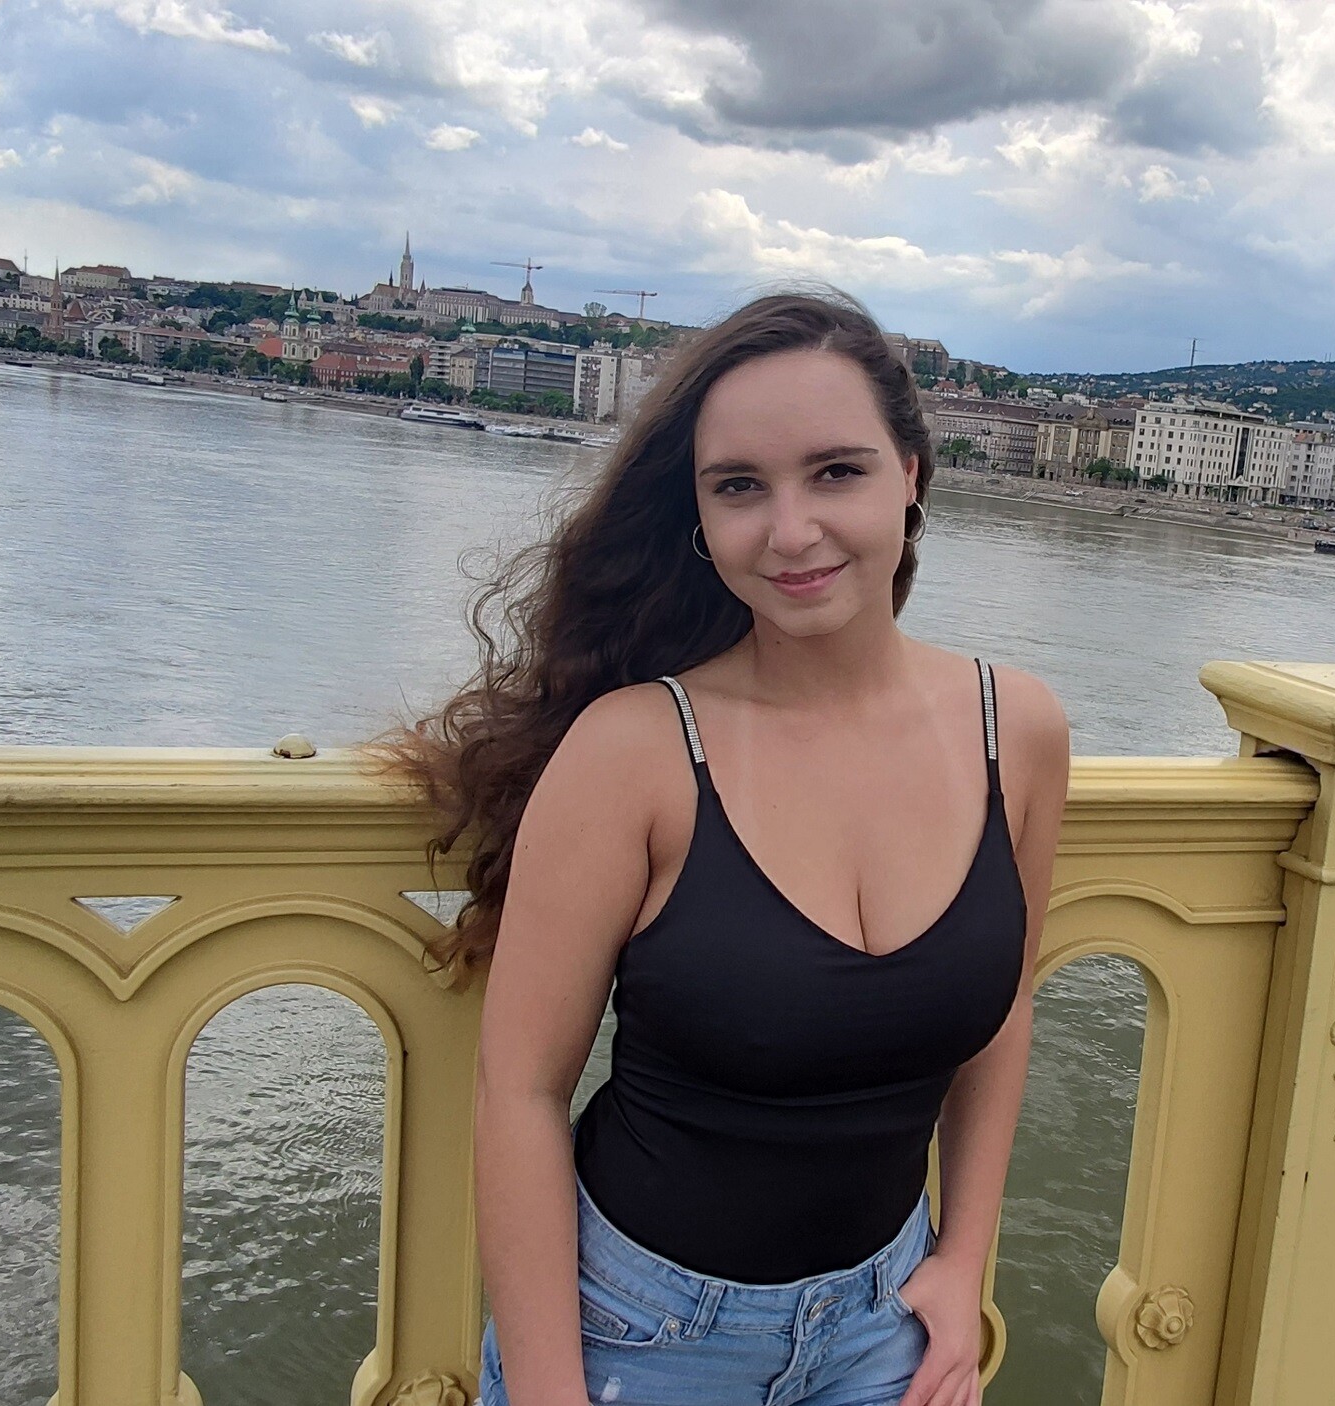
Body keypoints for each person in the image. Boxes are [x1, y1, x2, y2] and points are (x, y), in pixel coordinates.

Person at [387, 290, 1071, 1406]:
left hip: (888, 1326)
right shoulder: (637, 751)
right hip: (641, 1338)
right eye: (740, 486)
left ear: (910, 475)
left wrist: (963, 1259)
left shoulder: (1018, 732)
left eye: (836, 471)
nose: (790, 531)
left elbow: (1006, 1008)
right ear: (699, 520)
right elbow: (520, 1092)